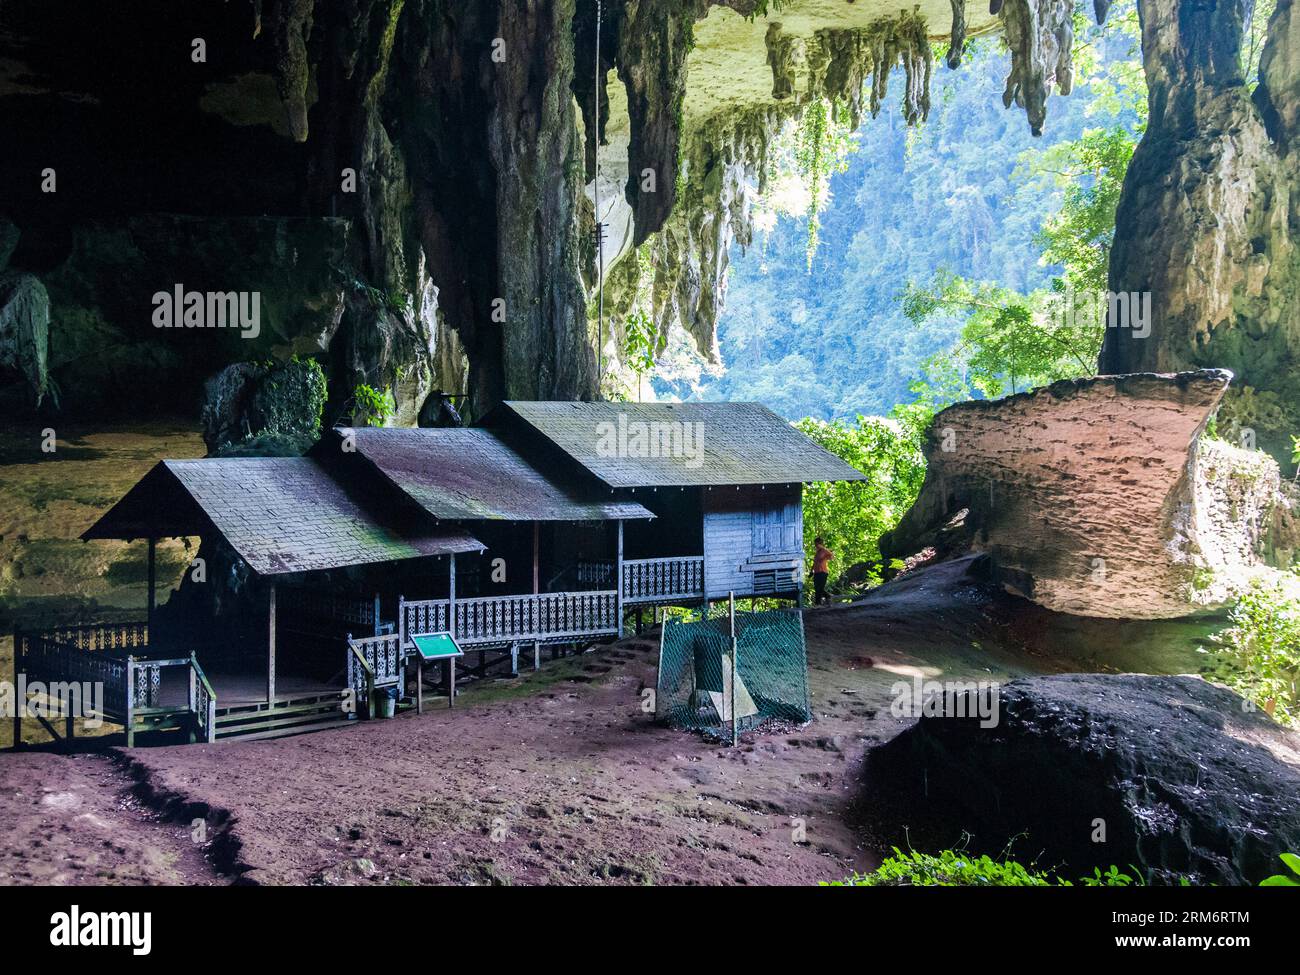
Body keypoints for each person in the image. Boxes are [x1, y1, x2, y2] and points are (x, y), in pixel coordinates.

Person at [812, 537, 834, 605]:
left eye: (816, 544)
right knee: (816, 588)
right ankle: (828, 596)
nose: (815, 545)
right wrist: (811, 570)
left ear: (820, 543)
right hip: (816, 572)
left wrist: (824, 558)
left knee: (820, 588)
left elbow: (831, 556)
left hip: (823, 572)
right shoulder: (817, 552)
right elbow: (815, 562)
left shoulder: (824, 550)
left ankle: (818, 604)